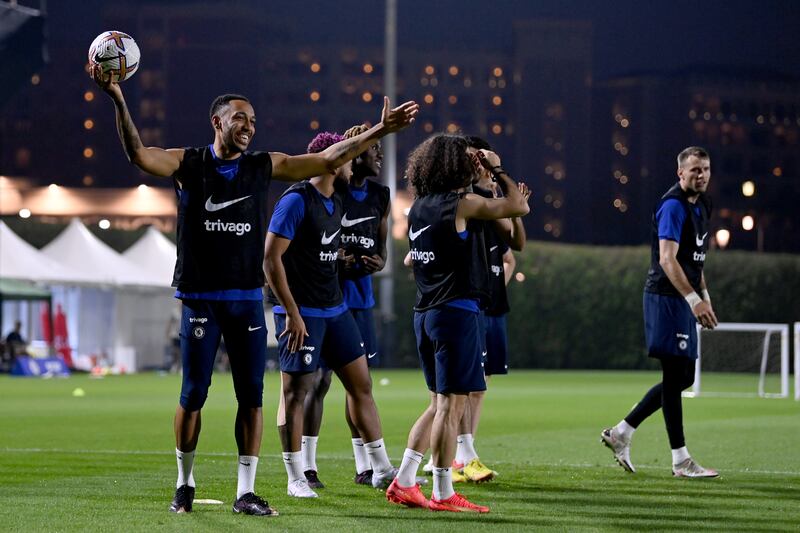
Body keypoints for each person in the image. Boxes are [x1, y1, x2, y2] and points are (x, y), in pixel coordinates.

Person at [90, 64, 418, 516]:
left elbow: (326, 160)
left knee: (252, 396)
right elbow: (140, 156)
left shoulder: (263, 166)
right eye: (240, 118)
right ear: (217, 122)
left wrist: (381, 128)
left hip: (245, 298)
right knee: (193, 394)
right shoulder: (189, 163)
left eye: (254, 121)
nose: (249, 126)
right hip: (201, 297)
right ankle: (184, 482)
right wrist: (117, 98)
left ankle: (245, 491)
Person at [386, 134, 529, 513]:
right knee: (451, 406)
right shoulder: (460, 205)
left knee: (437, 405)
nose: (473, 166)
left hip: (426, 313)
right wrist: (497, 167)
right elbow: (517, 207)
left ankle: (403, 481)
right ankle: (443, 492)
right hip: (456, 312)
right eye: (468, 161)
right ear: (453, 167)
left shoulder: (419, 208)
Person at [264, 131, 400, 499]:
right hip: (302, 313)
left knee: (362, 386)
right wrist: (290, 312)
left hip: (336, 309)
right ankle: (296, 476)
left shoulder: (336, 200)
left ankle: (381, 469)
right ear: (334, 161)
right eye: (349, 155)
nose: (353, 162)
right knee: (297, 393)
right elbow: (270, 258)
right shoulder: (296, 200)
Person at [601, 146, 719, 479]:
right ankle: (680, 460)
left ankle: (622, 432)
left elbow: (694, 261)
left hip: (684, 297)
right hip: (666, 297)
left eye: (706, 169)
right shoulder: (673, 205)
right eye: (695, 170)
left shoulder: (702, 205)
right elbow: (668, 260)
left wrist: (704, 296)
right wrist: (695, 301)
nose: (702, 175)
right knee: (675, 375)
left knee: (683, 377)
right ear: (680, 173)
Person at [300, 124, 391, 489]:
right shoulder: (332, 188)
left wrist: (378, 262)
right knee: (318, 383)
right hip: (327, 298)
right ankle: (307, 465)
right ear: (355, 153)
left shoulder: (381, 196)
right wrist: (335, 258)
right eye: (374, 150)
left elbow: (382, 251)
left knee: (359, 384)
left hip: (360, 301)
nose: (380, 156)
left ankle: (365, 466)